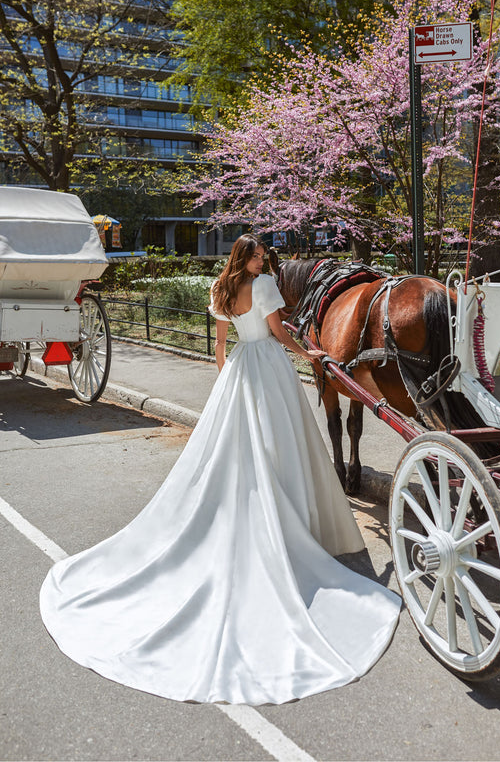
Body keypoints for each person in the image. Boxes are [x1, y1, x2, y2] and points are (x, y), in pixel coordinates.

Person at [40, 234, 401, 706]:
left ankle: (258, 507)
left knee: (237, 448)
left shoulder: (220, 289)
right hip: (269, 366)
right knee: (282, 442)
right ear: (246, 258)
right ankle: (292, 516)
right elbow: (277, 331)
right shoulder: (267, 283)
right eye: (257, 254)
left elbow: (220, 341)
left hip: (241, 369)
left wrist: (224, 375)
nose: (263, 259)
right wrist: (308, 353)